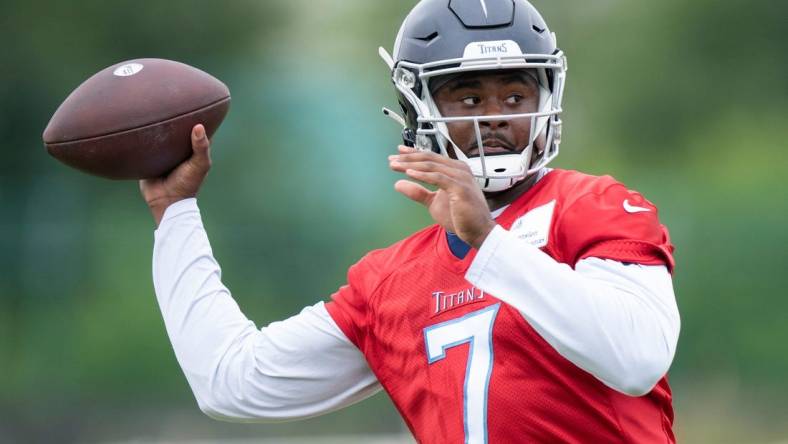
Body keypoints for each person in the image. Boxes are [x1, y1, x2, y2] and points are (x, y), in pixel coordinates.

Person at [140, 0, 680, 442]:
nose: (494, 115)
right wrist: (175, 214)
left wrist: (487, 243)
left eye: (515, 95)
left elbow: (635, 357)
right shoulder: (392, 283)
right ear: (418, 109)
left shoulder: (596, 205)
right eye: (468, 97)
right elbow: (231, 383)